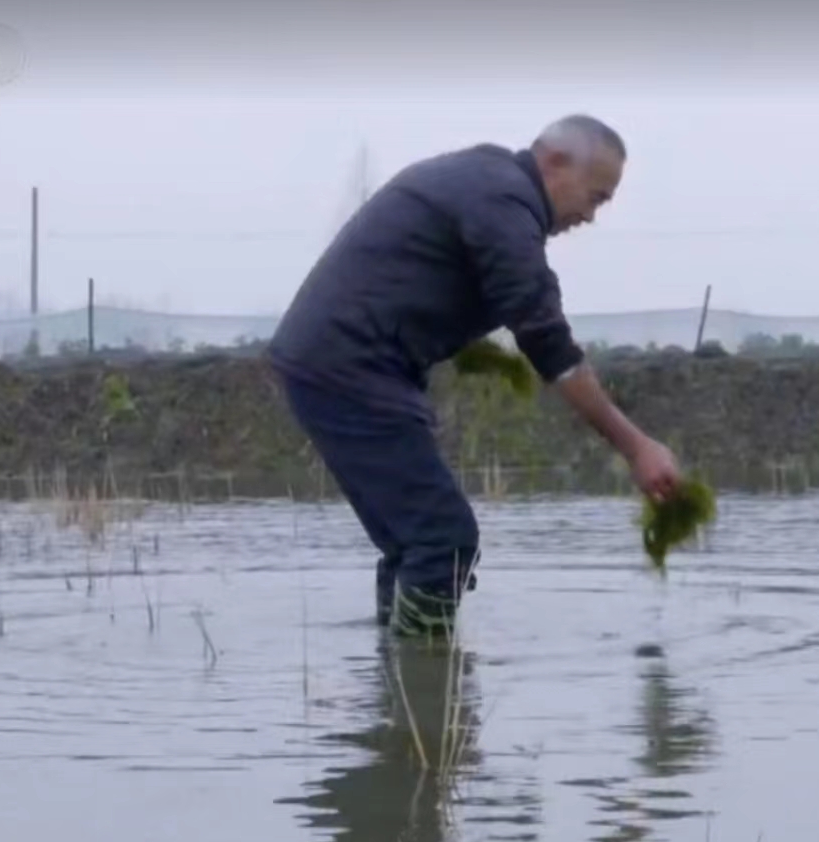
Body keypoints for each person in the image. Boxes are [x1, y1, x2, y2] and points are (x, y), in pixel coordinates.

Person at [268, 115, 684, 639]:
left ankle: (399, 674)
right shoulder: (503, 201)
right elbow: (549, 343)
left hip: (343, 362)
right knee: (444, 540)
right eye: (595, 197)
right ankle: (424, 675)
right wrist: (636, 447)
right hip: (350, 365)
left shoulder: (486, 182)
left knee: (416, 541)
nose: (590, 215)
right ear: (556, 162)